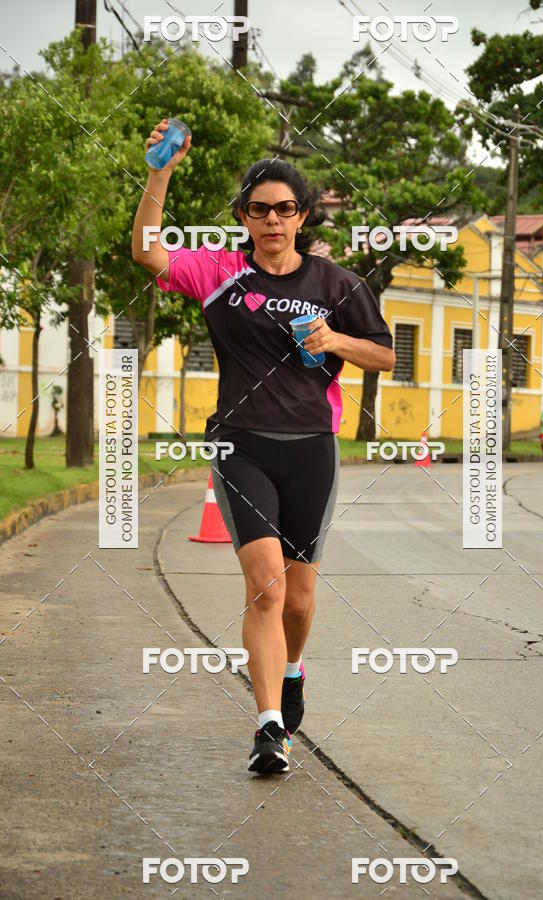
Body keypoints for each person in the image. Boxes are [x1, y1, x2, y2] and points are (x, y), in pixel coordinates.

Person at [132, 120, 396, 775]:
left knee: (300, 601)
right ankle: (269, 727)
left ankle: (294, 668)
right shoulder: (220, 273)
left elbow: (386, 357)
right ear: (244, 218)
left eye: (284, 209)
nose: (272, 220)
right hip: (239, 444)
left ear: (301, 215)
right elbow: (147, 253)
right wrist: (159, 172)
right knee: (267, 589)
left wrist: (335, 341)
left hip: (311, 449)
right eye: (258, 209)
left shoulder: (339, 285)